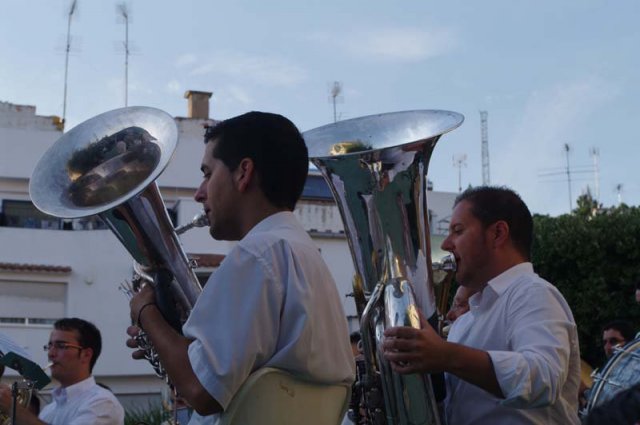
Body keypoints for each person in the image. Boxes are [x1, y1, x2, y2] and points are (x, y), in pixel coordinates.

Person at [126, 111, 355, 424]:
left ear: (243, 173)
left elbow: (201, 390)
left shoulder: (257, 254)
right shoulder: (303, 253)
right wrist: (170, 346)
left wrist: (145, 312)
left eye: (208, 173)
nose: (199, 193)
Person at [382, 186, 581, 424]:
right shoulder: (464, 322)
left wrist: (446, 356)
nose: (446, 244)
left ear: (497, 233)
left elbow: (542, 379)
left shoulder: (533, 293)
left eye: (458, 231)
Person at [0, 318, 124, 424]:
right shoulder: (50, 410)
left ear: (86, 354)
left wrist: (12, 407)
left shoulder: (102, 403)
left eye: (61, 346)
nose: (51, 353)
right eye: (50, 346)